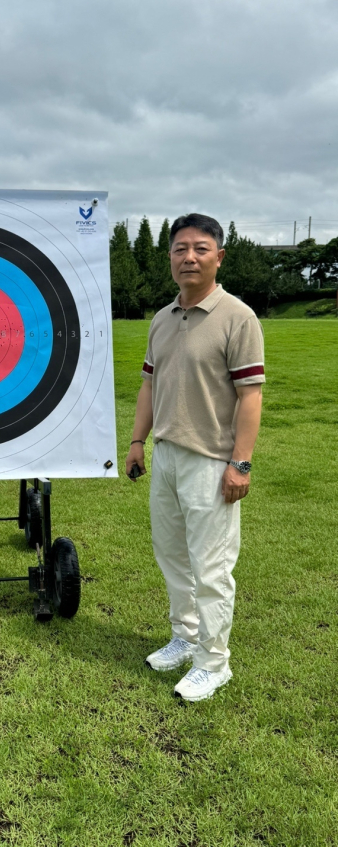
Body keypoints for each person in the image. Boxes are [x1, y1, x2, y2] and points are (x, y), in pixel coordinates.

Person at [126, 213, 265, 702]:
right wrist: (138, 442)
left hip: (212, 462)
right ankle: (185, 637)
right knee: (173, 558)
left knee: (210, 567)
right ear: (170, 257)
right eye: (180, 248)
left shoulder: (237, 317)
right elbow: (149, 384)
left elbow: (250, 395)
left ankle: (213, 661)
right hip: (165, 456)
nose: (189, 256)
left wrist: (240, 463)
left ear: (218, 256)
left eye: (200, 248)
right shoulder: (162, 319)